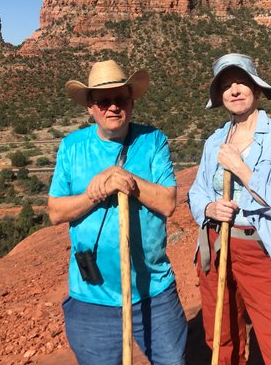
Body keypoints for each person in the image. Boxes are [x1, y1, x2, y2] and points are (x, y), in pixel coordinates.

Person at [48, 59, 187, 365]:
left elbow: (167, 202)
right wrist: (94, 193)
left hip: (154, 292)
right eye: (103, 101)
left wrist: (125, 179)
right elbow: (56, 212)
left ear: (131, 101)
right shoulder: (72, 147)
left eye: (120, 99)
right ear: (90, 107)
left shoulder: (153, 141)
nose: (113, 107)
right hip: (92, 298)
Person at [188, 53, 271, 365]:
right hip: (215, 246)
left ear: (255, 89)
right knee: (222, 336)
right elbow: (197, 191)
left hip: (260, 248)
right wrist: (209, 207)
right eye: (226, 85)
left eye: (241, 82)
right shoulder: (215, 141)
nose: (234, 90)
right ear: (219, 96)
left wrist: (243, 172)